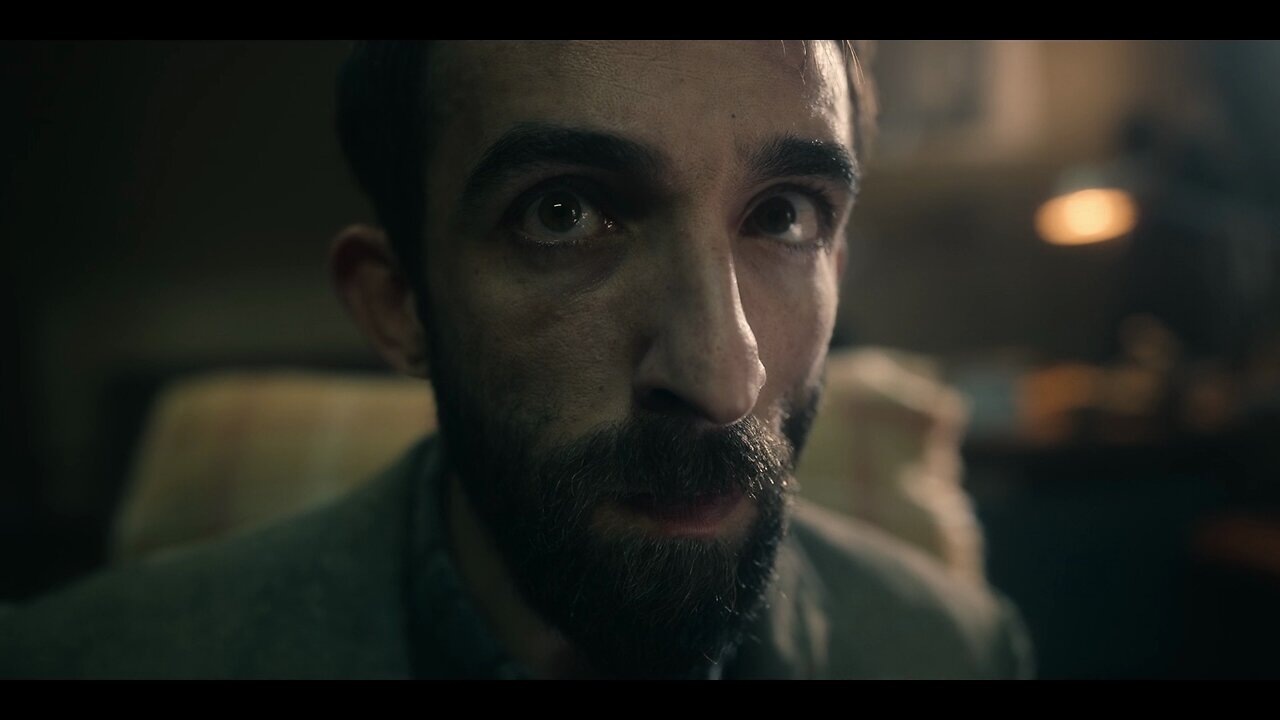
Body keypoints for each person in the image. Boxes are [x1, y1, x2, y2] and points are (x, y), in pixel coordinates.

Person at [0, 40, 1034, 679]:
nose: (723, 379)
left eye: (783, 216)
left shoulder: (956, 654)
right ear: (398, 302)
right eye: (564, 212)